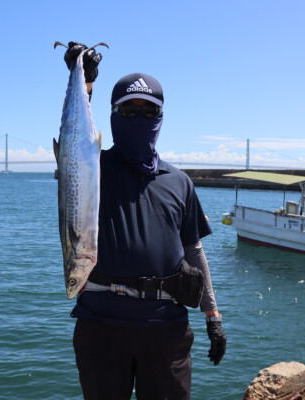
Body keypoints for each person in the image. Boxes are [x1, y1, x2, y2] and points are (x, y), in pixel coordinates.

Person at [63, 42, 226, 400]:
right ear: (112, 116)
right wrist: (83, 83)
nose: (138, 118)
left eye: (147, 111)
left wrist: (212, 314)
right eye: (128, 111)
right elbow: (76, 147)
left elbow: (193, 250)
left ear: (161, 117)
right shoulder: (95, 169)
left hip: (166, 327)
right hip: (101, 325)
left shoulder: (179, 181)